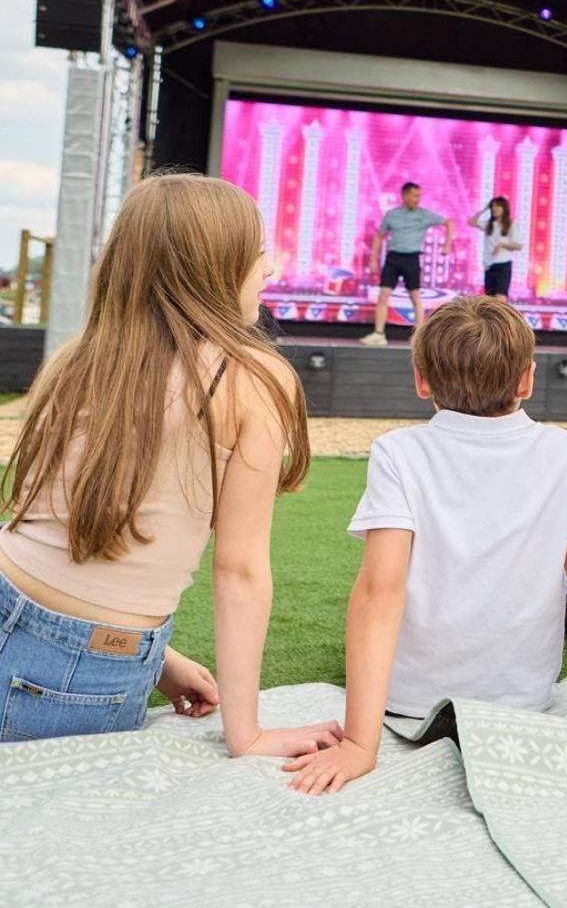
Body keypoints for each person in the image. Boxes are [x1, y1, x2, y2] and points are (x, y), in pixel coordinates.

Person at [0, 173, 342, 758]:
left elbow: (62, 531)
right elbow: (238, 570)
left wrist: (159, 661)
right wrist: (247, 732)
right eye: (257, 252)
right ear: (213, 266)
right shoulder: (256, 378)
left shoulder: (74, 359)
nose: (270, 268)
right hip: (76, 669)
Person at [286, 294, 567, 796]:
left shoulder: (398, 453)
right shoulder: (562, 451)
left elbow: (379, 593)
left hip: (408, 700)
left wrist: (361, 742)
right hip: (526, 698)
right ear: (527, 379)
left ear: (421, 380)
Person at [361, 182, 452, 345]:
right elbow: (379, 236)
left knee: (415, 297)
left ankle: (420, 336)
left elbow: (448, 223)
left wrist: (447, 244)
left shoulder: (424, 215)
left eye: (419, 196)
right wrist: (373, 258)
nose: (417, 199)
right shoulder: (392, 214)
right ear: (405, 196)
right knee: (383, 295)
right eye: (415, 195)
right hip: (393, 258)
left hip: (411, 259)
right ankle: (379, 333)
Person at [466, 196, 522, 298]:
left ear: (504, 209)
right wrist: (484, 209)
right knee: (490, 301)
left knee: (500, 299)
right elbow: (471, 222)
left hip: (503, 265)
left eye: (498, 206)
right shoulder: (489, 224)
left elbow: (519, 245)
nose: (494, 209)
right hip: (489, 265)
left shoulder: (510, 225)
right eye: (492, 206)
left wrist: (502, 244)